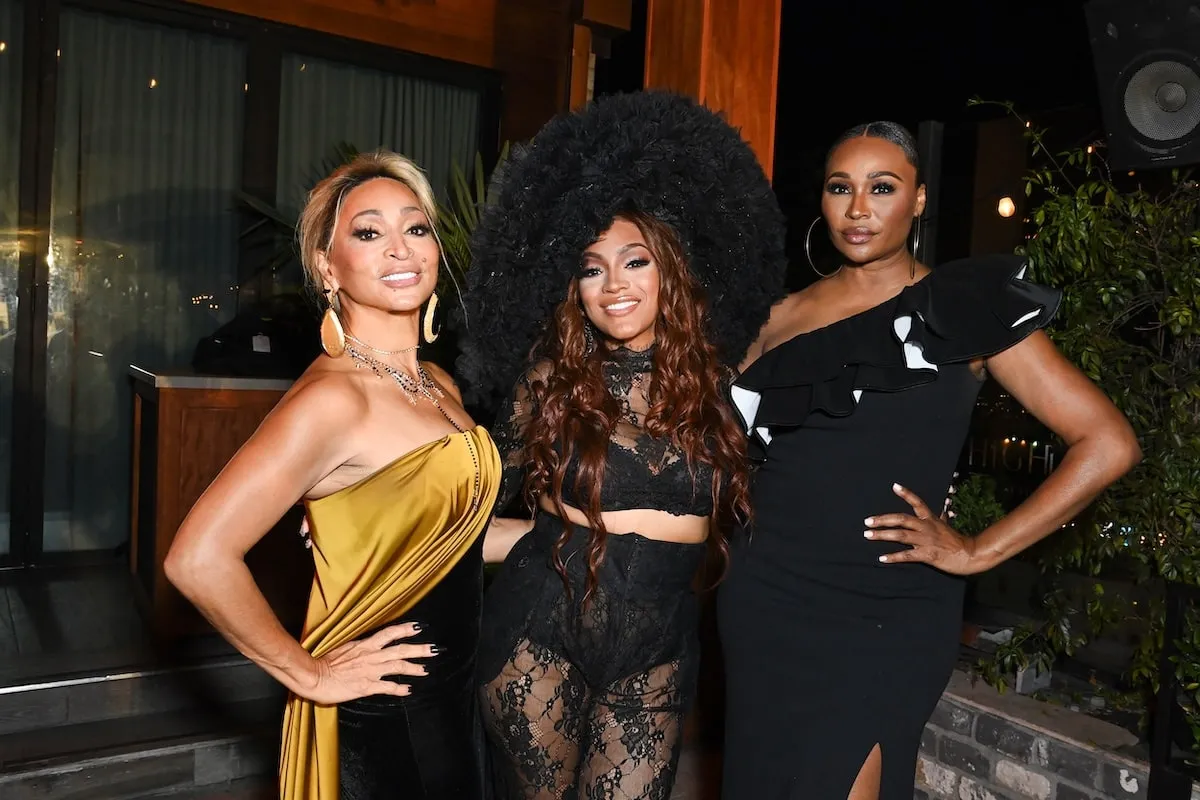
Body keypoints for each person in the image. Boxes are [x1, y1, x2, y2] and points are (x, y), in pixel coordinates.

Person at [717, 121, 1142, 800]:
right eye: (840, 188)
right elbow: (710, 452)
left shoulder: (962, 308)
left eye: (882, 187)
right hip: (766, 596)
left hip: (887, 606)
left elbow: (1107, 442)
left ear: (918, 200)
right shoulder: (774, 320)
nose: (859, 208)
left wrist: (977, 549)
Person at [457, 90, 789, 799]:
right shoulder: (546, 382)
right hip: (536, 636)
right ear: (570, 286)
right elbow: (478, 499)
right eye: (591, 267)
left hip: (659, 654)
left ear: (668, 268)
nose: (614, 286)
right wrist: (375, 523)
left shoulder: (725, 384)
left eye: (634, 261)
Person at [165, 150, 501, 800]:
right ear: (327, 265)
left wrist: (581, 531)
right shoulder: (332, 401)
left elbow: (455, 535)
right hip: (386, 713)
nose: (400, 250)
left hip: (453, 697)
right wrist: (310, 675)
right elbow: (198, 558)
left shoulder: (436, 381)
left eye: (417, 228)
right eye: (369, 233)